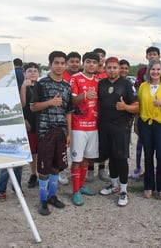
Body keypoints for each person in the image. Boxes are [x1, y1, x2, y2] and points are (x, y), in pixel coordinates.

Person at [30, 51, 72, 215]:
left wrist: (68, 133)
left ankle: (52, 196)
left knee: (57, 166)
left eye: (63, 63)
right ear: (50, 64)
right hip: (45, 131)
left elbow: (69, 111)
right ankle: (42, 200)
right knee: (44, 167)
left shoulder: (67, 86)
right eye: (57, 63)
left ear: (66, 65)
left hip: (61, 132)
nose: (60, 66)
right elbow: (33, 107)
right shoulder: (41, 84)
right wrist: (50, 102)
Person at [98, 57, 139, 206]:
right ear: (105, 68)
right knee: (110, 156)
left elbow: (137, 107)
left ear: (119, 68)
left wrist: (125, 107)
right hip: (105, 126)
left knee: (121, 158)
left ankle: (123, 191)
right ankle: (114, 185)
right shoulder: (101, 84)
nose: (112, 70)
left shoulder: (127, 84)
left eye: (115, 67)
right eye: (109, 67)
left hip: (121, 127)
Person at [137, 58, 161, 200]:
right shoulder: (143, 86)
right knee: (148, 154)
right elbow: (139, 106)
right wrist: (137, 124)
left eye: (158, 69)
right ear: (149, 70)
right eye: (153, 69)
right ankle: (148, 185)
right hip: (145, 123)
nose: (155, 72)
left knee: (160, 155)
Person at [69, 51, 100, 206]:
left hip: (94, 126)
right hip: (78, 126)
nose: (91, 65)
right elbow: (71, 100)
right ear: (83, 63)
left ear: (97, 65)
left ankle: (81, 186)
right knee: (77, 159)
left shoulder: (98, 80)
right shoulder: (76, 78)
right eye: (88, 61)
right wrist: (85, 96)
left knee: (87, 159)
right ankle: (75, 191)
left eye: (94, 62)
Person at [0, 58, 27, 201]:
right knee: (8, 159)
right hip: (9, 123)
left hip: (19, 123)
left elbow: (24, 103)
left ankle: (14, 187)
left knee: (17, 159)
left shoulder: (25, 83)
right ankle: (4, 189)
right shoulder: (2, 90)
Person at [131, 46, 161, 179]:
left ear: (159, 56)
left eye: (155, 54)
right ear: (146, 57)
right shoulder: (142, 71)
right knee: (141, 140)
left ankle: (155, 168)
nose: (152, 56)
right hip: (143, 110)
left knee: (157, 144)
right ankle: (138, 167)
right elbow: (138, 90)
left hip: (158, 113)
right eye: (150, 54)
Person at [86, 48, 110, 183]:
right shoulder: (90, 74)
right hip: (90, 113)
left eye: (102, 56)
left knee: (103, 142)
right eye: (98, 56)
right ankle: (90, 169)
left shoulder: (108, 74)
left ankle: (102, 168)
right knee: (91, 143)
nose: (100, 58)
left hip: (104, 113)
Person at [58, 51, 82, 186]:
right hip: (62, 115)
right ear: (67, 63)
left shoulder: (82, 76)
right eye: (71, 61)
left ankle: (75, 172)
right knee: (62, 145)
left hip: (78, 116)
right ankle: (61, 170)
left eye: (77, 61)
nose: (74, 64)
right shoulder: (62, 76)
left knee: (76, 147)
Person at [20, 63, 40, 189]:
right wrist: (23, 87)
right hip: (29, 123)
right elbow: (21, 105)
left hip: (42, 122)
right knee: (32, 152)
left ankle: (43, 174)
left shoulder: (41, 86)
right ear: (24, 73)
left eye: (35, 71)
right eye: (29, 71)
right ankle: (33, 174)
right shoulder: (22, 87)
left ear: (39, 74)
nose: (32, 73)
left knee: (42, 150)